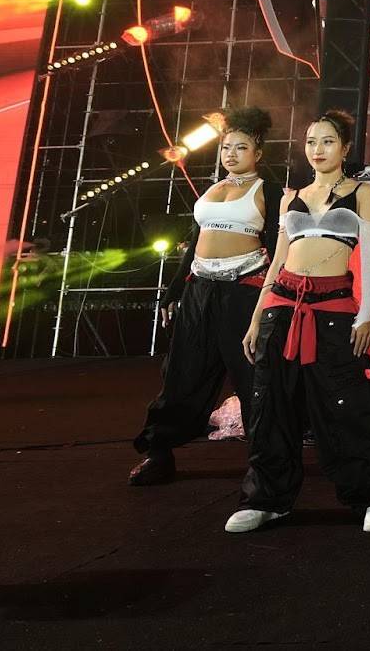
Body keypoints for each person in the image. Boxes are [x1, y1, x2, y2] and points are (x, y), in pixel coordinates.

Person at [227, 110, 370, 534]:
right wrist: (257, 317)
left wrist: (366, 314)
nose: (317, 150)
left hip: (333, 308)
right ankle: (267, 500)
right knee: (270, 405)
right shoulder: (292, 196)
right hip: (281, 305)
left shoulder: (361, 193)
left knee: (347, 405)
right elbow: (277, 262)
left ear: (345, 148)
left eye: (327, 141)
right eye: (310, 142)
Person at [130, 108, 285, 486]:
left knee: (252, 376)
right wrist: (175, 290)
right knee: (181, 372)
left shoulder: (268, 190)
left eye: (241, 147)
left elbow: (278, 247)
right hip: (199, 289)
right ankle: (159, 453)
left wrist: (275, 297)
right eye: (226, 147)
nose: (231, 154)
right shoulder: (213, 189)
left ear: (258, 153)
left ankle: (266, 463)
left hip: (243, 290)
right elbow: (195, 242)